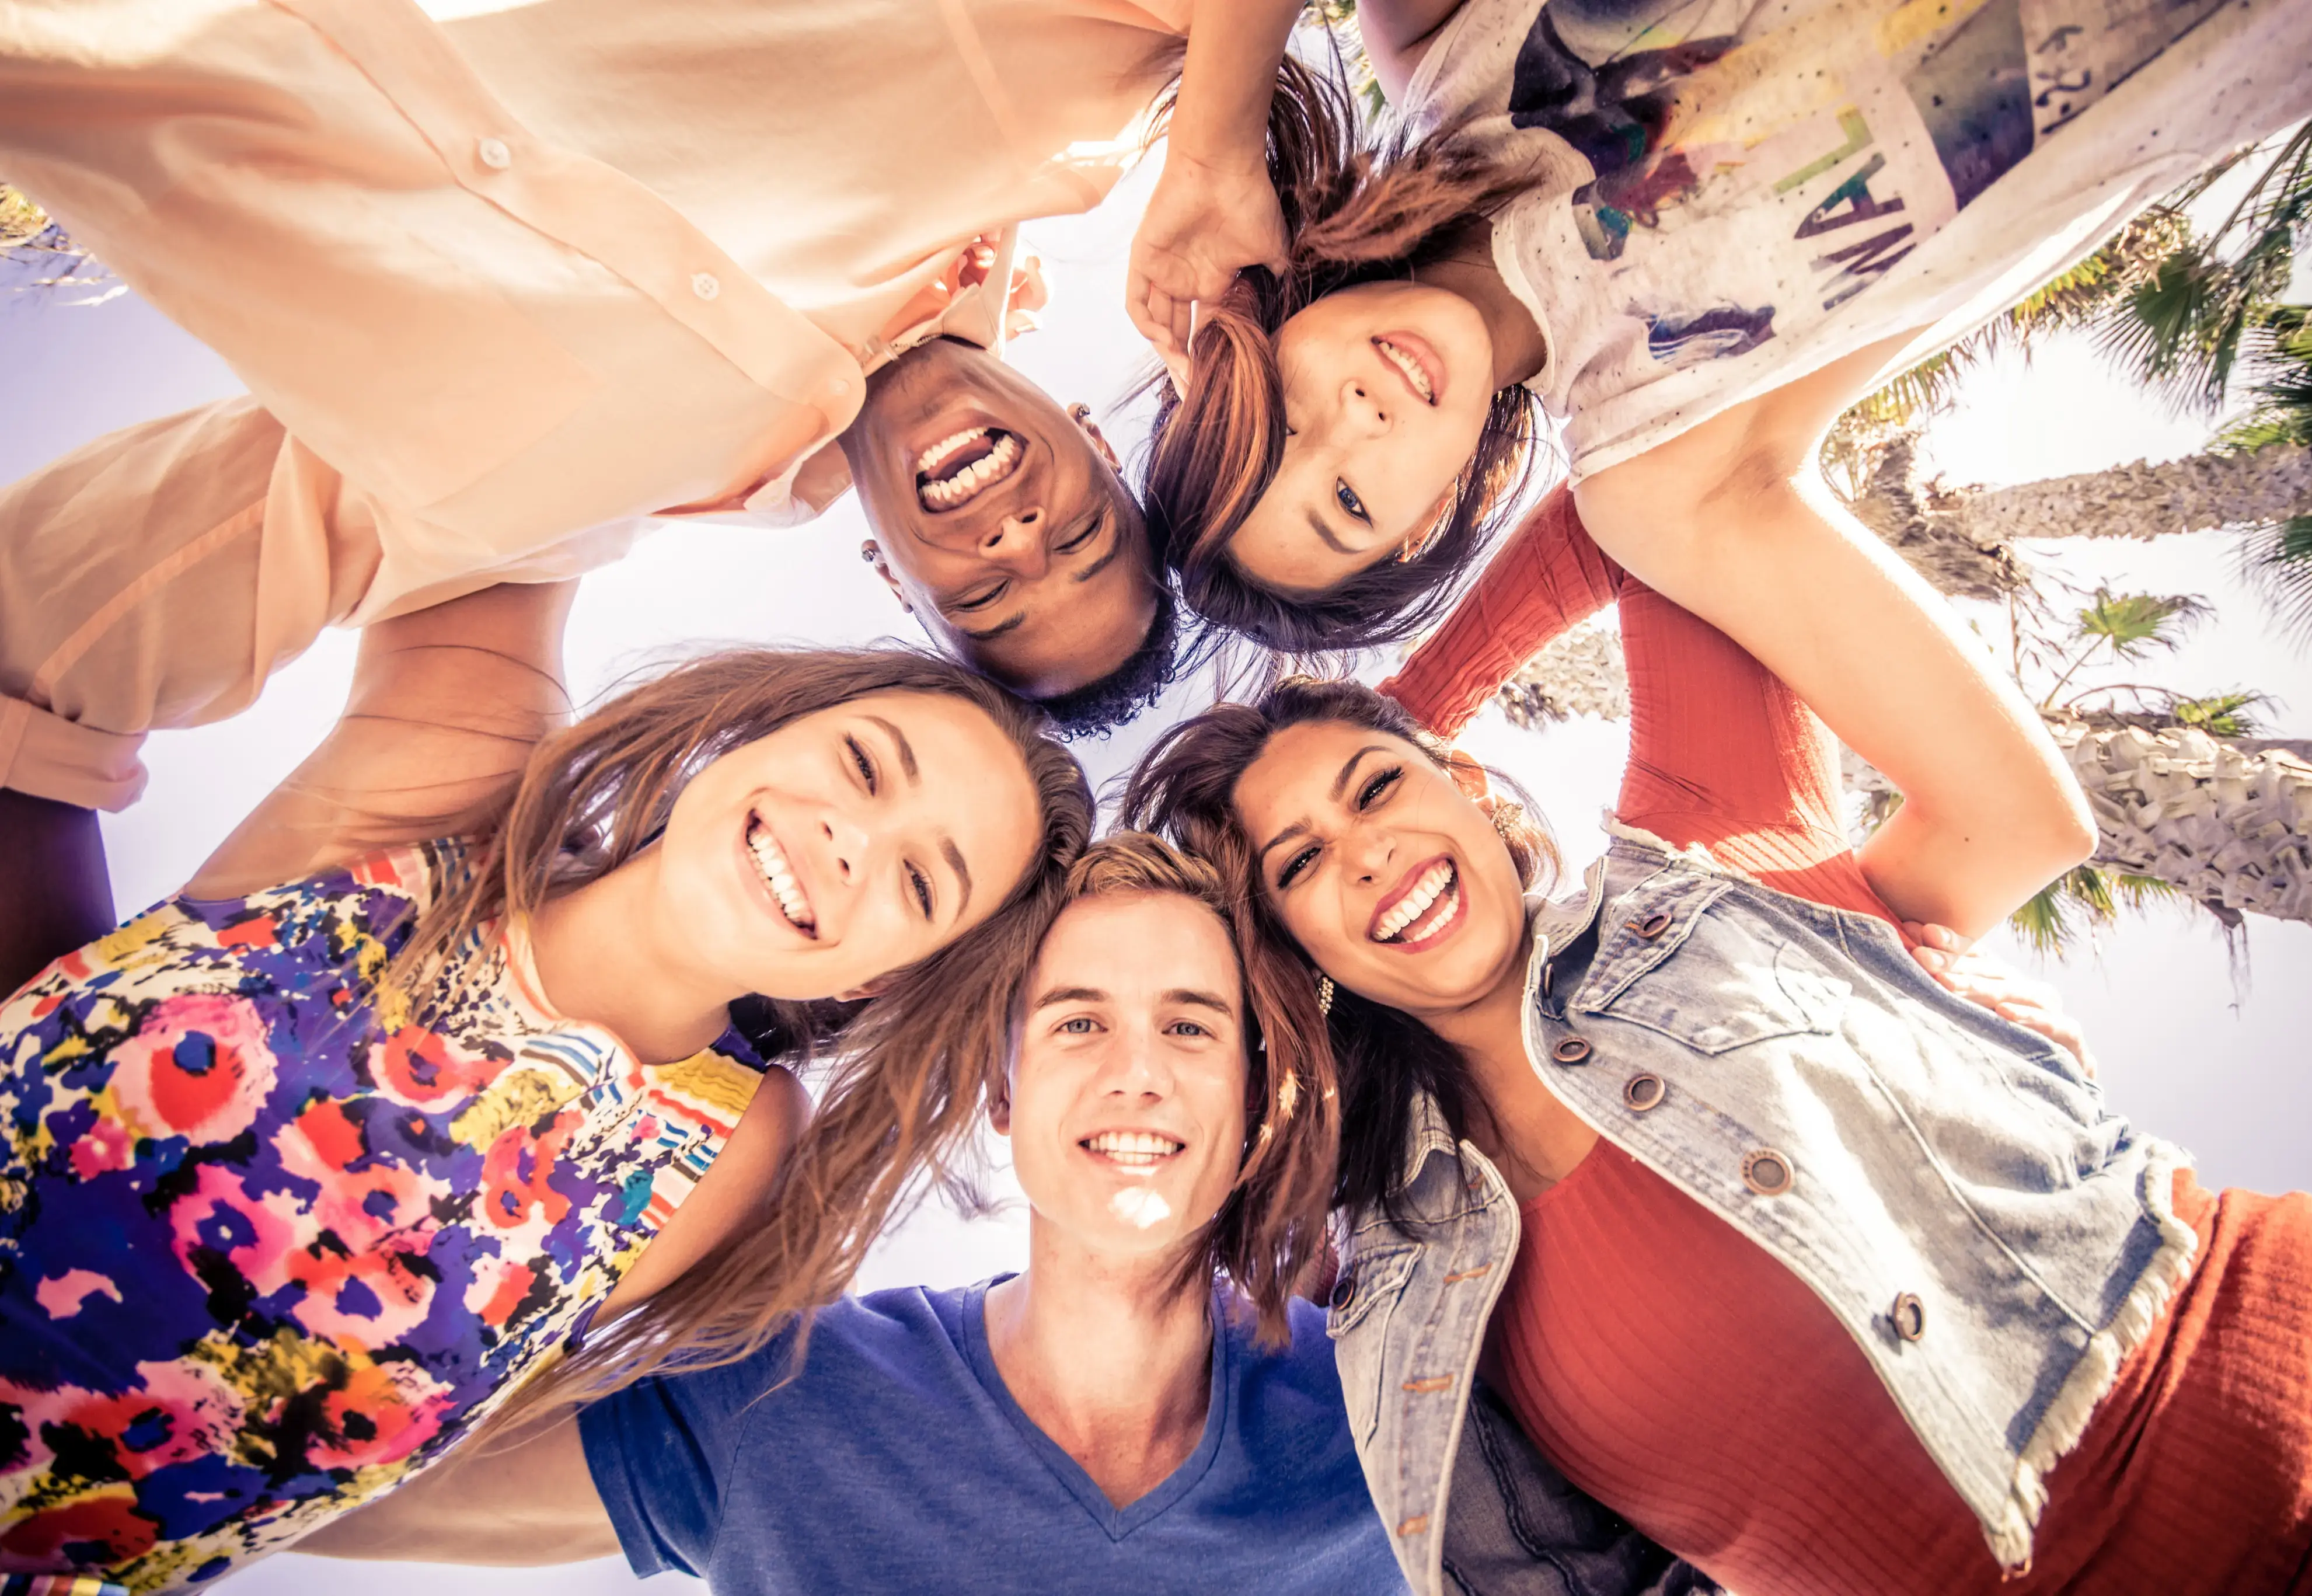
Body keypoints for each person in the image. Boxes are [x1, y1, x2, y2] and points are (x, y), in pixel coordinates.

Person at [1121, 480, 2312, 1594]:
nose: (1368, 851)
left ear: (1474, 785)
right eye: (1301, 862)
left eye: (1379, 790)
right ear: (1295, 953)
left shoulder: (1705, 851)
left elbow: (1630, 499)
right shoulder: (1381, 1274)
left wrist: (1389, 710)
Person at [0, 0, 1317, 985]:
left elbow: (49, 652)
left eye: (988, 595)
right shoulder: (1055, 102)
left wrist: (55, 1071)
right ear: (1088, 430)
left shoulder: (542, 519)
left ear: (899, 587)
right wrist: (1212, 148)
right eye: (1081, 534)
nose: (1017, 534)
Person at [0, 578, 1094, 1591]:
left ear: (877, 979)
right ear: (754, 726)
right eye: (863, 764)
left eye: (918, 879)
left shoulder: (729, 1158)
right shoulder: (461, 788)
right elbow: (516, 453)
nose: (852, 841)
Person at [283, 835, 1591, 1592]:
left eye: (1189, 1025)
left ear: (1256, 1107)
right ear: (1002, 1091)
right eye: (1077, 1019)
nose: (1134, 1068)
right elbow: (311, 1485)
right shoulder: (783, 1395)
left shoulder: (1400, 1416)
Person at [1127, 0, 2312, 657]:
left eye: (1287, 417)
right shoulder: (1653, 463)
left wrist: (1215, 147)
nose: (1356, 421)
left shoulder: (1443, 55)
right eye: (1347, 503)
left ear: (1265, 335)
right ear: (1424, 523)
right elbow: (2006, 826)